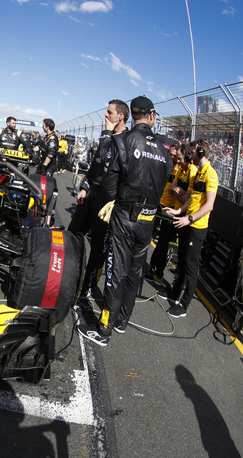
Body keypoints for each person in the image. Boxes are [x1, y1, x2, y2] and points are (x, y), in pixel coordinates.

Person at [77, 96, 174, 346]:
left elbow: (110, 185)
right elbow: (164, 183)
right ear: (152, 116)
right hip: (149, 219)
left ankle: (105, 329)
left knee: (116, 270)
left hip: (125, 215)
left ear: (131, 115)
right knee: (135, 270)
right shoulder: (165, 148)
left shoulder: (122, 140)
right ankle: (121, 321)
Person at [70, 100, 129, 299]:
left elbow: (106, 160)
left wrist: (107, 133)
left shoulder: (126, 140)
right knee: (72, 234)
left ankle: (88, 285)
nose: (106, 116)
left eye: (109, 112)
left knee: (98, 249)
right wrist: (85, 188)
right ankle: (66, 272)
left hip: (108, 202)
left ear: (120, 116)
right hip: (91, 195)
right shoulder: (107, 137)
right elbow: (96, 164)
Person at [160, 140, 218, 317]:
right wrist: (179, 211)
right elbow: (192, 198)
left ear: (201, 152)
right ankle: (174, 293)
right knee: (182, 262)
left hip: (196, 227)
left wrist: (189, 219)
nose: (188, 156)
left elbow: (209, 206)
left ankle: (184, 305)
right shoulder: (199, 173)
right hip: (187, 221)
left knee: (191, 267)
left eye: (192, 152)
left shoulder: (211, 175)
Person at [147, 142, 188, 283]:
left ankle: (158, 271)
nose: (173, 158)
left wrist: (175, 192)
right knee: (152, 236)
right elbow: (171, 188)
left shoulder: (183, 171)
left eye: (176, 156)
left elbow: (182, 194)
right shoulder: (169, 166)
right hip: (160, 204)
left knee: (163, 242)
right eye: (171, 155)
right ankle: (151, 266)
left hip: (172, 210)